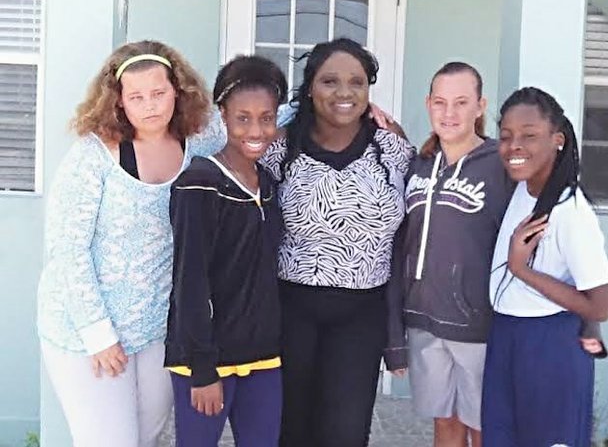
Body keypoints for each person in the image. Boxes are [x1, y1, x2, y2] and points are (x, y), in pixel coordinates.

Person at [36, 40, 223, 447]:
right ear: (119, 101)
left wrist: (346, 111)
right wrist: (97, 334)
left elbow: (253, 120)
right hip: (86, 327)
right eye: (136, 97)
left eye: (159, 93)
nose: (150, 105)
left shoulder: (201, 141)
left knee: (147, 438)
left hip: (157, 328)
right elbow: (67, 249)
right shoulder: (94, 157)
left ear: (178, 90)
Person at [260, 37, 415, 447]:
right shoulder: (279, 149)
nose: (344, 93)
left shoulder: (394, 150)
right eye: (330, 81)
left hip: (362, 314)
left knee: (345, 432)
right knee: (291, 429)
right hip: (291, 308)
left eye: (357, 82)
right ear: (310, 87)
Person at [386, 62, 513, 447]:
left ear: (480, 106)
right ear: (428, 104)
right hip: (425, 321)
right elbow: (399, 244)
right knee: (445, 423)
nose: (449, 113)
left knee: (484, 427)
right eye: (440, 102)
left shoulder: (501, 165)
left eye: (461, 102)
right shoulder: (417, 164)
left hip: (479, 326)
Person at [165, 55, 287, 447]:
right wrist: (203, 369)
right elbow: (190, 280)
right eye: (243, 118)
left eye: (266, 118)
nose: (256, 130)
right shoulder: (199, 183)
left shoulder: (267, 184)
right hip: (207, 360)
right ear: (223, 115)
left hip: (263, 356)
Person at [482, 87, 608, 447]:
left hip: (550, 345)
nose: (514, 147)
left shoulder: (571, 214)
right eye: (506, 136)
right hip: (507, 335)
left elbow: (601, 306)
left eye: (529, 136)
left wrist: (522, 270)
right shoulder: (526, 188)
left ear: (557, 140)